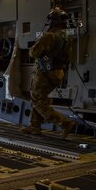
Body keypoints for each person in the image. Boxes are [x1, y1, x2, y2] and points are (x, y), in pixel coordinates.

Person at [21, 7, 77, 138]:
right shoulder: (66, 36)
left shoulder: (50, 36)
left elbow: (33, 52)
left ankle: (64, 123)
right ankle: (34, 126)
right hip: (58, 72)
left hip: (45, 72)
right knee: (38, 97)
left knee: (38, 101)